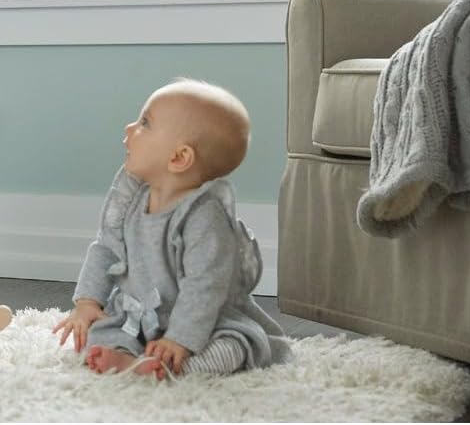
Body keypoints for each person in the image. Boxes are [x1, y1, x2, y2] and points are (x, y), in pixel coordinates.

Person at [51, 79, 291, 379]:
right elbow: (106, 248)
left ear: (179, 158)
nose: (129, 128)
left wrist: (180, 339)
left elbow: (205, 286)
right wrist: (88, 302)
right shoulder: (131, 199)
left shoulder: (205, 217)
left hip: (204, 321)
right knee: (96, 333)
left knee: (232, 347)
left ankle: (172, 367)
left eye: (145, 123)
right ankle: (128, 356)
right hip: (140, 317)